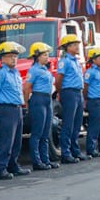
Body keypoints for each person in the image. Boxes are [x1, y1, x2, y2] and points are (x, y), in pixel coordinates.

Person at [0, 41, 31, 180]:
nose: (14, 58)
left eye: (15, 56)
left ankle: (13, 165)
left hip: (17, 108)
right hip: (6, 109)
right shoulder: (0, 73)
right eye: (10, 56)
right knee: (6, 140)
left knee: (17, 140)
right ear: (2, 58)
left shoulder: (15, 73)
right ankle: (0, 169)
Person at [23, 42, 59, 171]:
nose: (47, 57)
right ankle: (37, 162)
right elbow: (27, 88)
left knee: (45, 132)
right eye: (44, 55)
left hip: (47, 99)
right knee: (37, 133)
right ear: (37, 56)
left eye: (47, 54)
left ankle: (46, 160)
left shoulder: (45, 70)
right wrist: (27, 104)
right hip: (38, 99)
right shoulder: (33, 70)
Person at [55, 34, 89, 163]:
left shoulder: (76, 61)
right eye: (74, 45)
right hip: (69, 93)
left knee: (77, 124)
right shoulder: (64, 61)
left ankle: (75, 151)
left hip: (78, 93)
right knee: (68, 124)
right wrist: (61, 93)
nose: (77, 47)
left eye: (77, 44)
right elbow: (58, 80)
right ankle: (66, 153)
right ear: (67, 47)